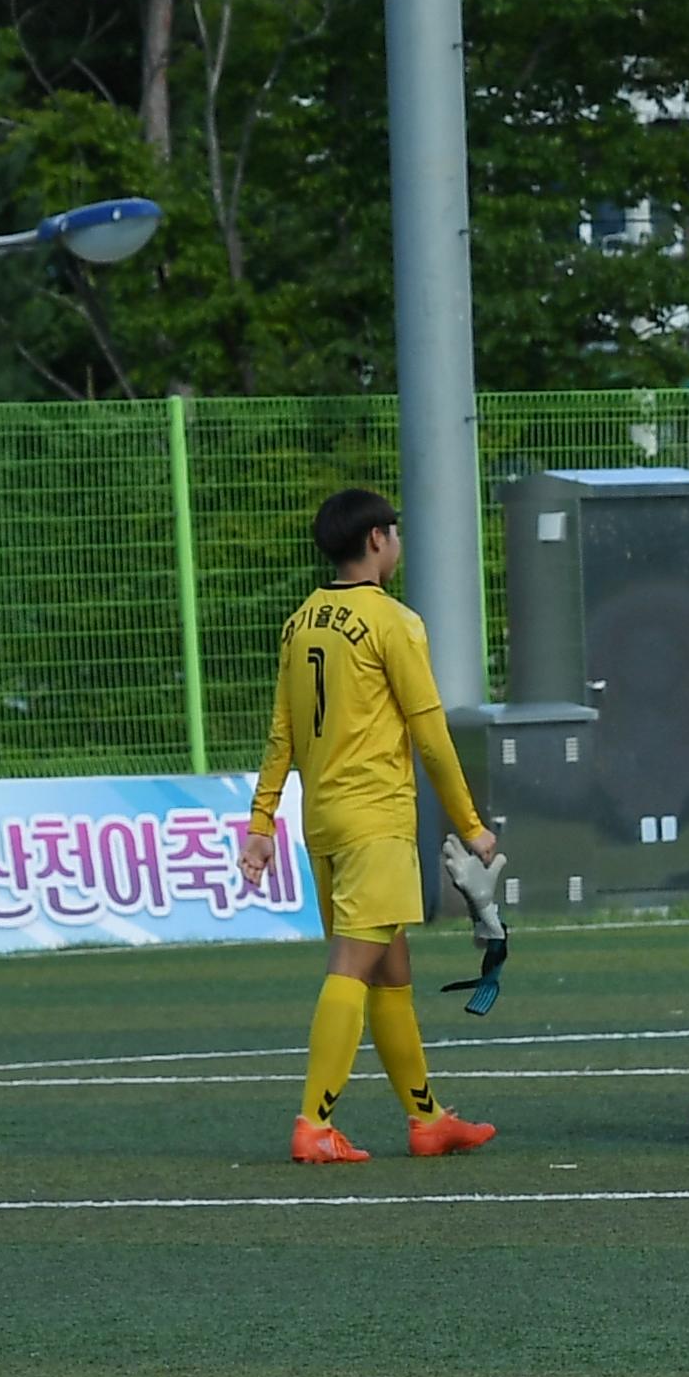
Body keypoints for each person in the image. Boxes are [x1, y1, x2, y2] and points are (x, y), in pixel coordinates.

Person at [242, 487, 499, 1164]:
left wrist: (261, 819)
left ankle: (427, 1119)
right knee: (353, 968)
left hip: (323, 821)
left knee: (391, 970)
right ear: (379, 539)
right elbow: (433, 736)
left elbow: (282, 733)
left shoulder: (301, 622)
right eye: (397, 532)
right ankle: (314, 1124)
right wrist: (471, 824)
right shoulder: (394, 622)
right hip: (375, 820)